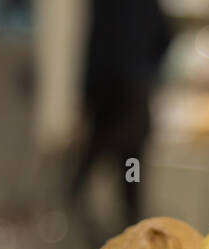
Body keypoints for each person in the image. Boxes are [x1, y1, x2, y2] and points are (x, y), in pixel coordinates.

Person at [67, 0, 172, 236]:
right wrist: (146, 74)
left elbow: (95, 45)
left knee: (88, 167)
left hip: (110, 95)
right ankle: (129, 236)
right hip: (131, 92)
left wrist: (86, 96)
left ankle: (83, 232)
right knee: (128, 169)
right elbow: (164, 36)